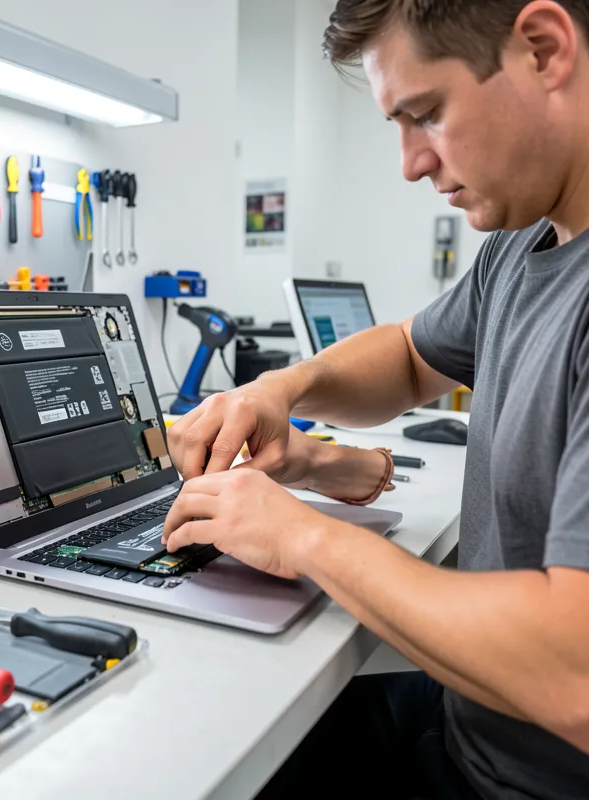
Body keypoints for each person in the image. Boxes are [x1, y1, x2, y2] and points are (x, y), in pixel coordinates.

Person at [163, 1, 589, 798]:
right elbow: (405, 353)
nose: (410, 163)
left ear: (543, 48)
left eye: (425, 114)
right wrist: (279, 388)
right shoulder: (524, 246)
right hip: (471, 722)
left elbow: (576, 678)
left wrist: (303, 539)